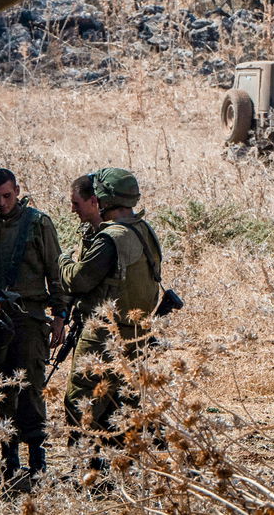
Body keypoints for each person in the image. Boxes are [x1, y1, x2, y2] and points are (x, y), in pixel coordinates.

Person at [0, 168, 70, 483]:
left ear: (17, 191)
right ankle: (8, 461)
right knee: (0, 391)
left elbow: (55, 270)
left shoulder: (38, 223)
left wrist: (60, 315)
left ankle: (38, 463)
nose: (2, 202)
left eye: (7, 196)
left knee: (30, 389)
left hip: (29, 318)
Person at [61, 167, 163, 454]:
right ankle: (121, 467)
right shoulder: (143, 230)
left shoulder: (110, 238)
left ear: (104, 199)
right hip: (139, 334)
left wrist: (64, 261)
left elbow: (79, 280)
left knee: (80, 400)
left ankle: (88, 466)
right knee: (123, 403)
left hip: (106, 333)